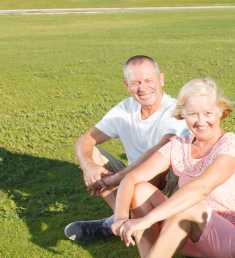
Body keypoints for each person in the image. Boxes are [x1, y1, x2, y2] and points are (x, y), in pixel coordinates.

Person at [87, 78, 235, 258]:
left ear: (221, 112)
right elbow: (133, 177)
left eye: (208, 113)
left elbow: (201, 189)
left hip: (228, 240)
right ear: (182, 114)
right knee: (140, 189)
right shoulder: (180, 144)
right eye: (192, 114)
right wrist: (119, 217)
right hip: (183, 234)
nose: (201, 121)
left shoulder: (232, 144)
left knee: (188, 204)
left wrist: (146, 220)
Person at [65, 56, 189, 241]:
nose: (143, 88)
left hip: (167, 184)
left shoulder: (174, 110)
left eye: (149, 80)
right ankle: (122, 221)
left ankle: (120, 222)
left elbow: (162, 148)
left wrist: (118, 179)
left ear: (161, 79)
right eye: (135, 82)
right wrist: (89, 166)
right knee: (91, 154)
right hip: (130, 182)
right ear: (126, 84)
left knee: (149, 172)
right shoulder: (124, 109)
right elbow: (85, 140)